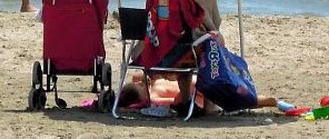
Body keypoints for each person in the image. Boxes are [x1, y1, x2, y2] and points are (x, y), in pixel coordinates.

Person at [118, 72, 278, 113]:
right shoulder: (154, 86)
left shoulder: (153, 92)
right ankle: (270, 101)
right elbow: (174, 100)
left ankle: (268, 101)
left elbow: (174, 102)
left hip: (197, 89)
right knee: (235, 98)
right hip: (197, 83)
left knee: (237, 100)